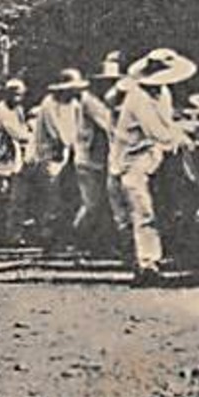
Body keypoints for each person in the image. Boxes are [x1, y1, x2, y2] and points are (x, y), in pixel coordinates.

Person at [110, 47, 196, 286]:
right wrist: (184, 136)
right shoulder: (138, 97)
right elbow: (158, 131)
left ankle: (152, 259)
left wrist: (184, 129)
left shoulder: (163, 92)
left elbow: (167, 124)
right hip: (130, 162)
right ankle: (147, 265)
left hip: (152, 158)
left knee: (160, 210)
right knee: (142, 212)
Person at [72, 54, 122, 253]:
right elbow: (109, 126)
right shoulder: (90, 101)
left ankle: (99, 244)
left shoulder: (101, 101)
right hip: (88, 159)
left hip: (99, 158)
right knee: (92, 204)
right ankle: (76, 238)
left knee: (103, 204)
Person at [33, 68, 86, 249]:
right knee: (52, 197)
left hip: (69, 155)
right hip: (51, 155)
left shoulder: (75, 105)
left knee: (69, 196)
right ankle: (47, 236)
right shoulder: (49, 104)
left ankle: (63, 235)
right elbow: (56, 132)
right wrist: (70, 144)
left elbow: (80, 128)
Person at [0, 78, 32, 245]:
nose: (18, 98)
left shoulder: (18, 109)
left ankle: (11, 236)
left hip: (12, 159)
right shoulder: (0, 111)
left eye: (20, 95)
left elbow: (23, 129)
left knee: (13, 199)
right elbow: (19, 134)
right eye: (14, 94)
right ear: (6, 94)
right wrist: (37, 136)